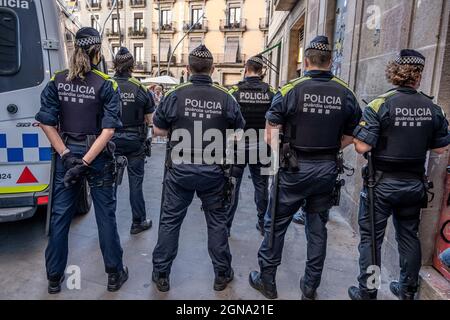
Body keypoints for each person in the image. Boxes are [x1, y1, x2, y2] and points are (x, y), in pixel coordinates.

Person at [249, 36, 362, 300]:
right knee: (316, 227)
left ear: (307, 61)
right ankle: (310, 286)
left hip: (293, 168)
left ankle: (267, 281)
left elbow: (270, 135)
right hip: (326, 170)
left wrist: (286, 155)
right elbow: (354, 134)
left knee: (275, 224)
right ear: (330, 62)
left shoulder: (290, 89)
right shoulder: (346, 92)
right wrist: (332, 149)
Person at [348, 49, 450, 300]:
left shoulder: (380, 104)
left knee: (372, 240)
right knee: (408, 237)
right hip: (414, 185)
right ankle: (407, 290)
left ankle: (368, 291)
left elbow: (362, 146)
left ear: (396, 72)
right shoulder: (432, 106)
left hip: (380, 185)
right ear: (418, 75)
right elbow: (440, 147)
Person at [35, 27, 128, 294]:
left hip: (67, 158)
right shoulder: (106, 84)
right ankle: (114, 275)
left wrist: (66, 156)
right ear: (97, 51)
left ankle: (54, 279)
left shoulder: (57, 80)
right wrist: (85, 163)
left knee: (60, 217)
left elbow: (46, 122)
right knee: (105, 217)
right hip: (95, 159)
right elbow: (108, 130)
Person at [151, 45, 245, 292]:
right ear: (213, 69)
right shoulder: (226, 96)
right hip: (214, 171)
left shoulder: (175, 94)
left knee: (170, 221)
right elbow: (239, 132)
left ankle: (162, 274)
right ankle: (222, 274)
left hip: (179, 169)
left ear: (187, 68)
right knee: (216, 222)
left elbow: (157, 130)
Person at [228, 55, 277, 236]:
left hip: (237, 147)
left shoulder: (233, 92)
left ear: (246, 69)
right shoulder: (271, 92)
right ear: (262, 71)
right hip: (262, 148)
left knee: (231, 186)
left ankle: (226, 226)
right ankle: (263, 224)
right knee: (261, 187)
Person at [112, 47, 155, 235]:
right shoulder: (141, 88)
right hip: (135, 141)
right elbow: (150, 121)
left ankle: (108, 224)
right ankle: (138, 222)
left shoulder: (106, 85)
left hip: (109, 140)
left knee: (108, 184)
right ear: (132, 66)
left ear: (115, 65)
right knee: (135, 184)